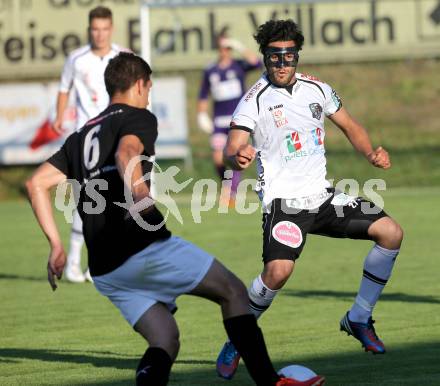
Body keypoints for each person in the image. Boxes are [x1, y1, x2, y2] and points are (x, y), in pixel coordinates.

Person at [26, 52, 325, 386]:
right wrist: (140, 196)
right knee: (234, 292)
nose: (149, 94)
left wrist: (55, 245)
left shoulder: (80, 137)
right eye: (149, 87)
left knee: (165, 338)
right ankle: (272, 382)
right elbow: (126, 152)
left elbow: (36, 184)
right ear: (139, 84)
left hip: (106, 269)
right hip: (140, 246)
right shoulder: (138, 116)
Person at [215, 19, 404, 380]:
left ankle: (359, 318)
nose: (282, 63)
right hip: (284, 203)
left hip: (323, 197)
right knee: (278, 273)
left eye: (288, 55)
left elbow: (350, 125)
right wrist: (237, 155)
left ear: (297, 56)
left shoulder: (317, 89)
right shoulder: (255, 99)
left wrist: (370, 154)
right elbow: (233, 144)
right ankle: (237, 338)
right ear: (265, 58)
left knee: (391, 233)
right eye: (274, 56)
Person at [53, 6, 126, 283]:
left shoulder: (123, 57)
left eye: (104, 28)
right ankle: (74, 263)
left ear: (111, 29)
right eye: (95, 29)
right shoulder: (76, 59)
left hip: (115, 136)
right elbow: (64, 88)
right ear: (89, 30)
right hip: (85, 137)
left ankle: (98, 263)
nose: (99, 34)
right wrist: (60, 116)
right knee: (86, 199)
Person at [197, 35, 262, 207]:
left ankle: (230, 193)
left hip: (238, 121)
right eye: (222, 47)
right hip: (219, 121)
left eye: (228, 48)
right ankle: (227, 187)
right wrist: (201, 114)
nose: (224, 51)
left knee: (235, 153)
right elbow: (203, 95)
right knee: (218, 158)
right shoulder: (211, 70)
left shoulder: (239, 66)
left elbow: (256, 62)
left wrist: (239, 45)